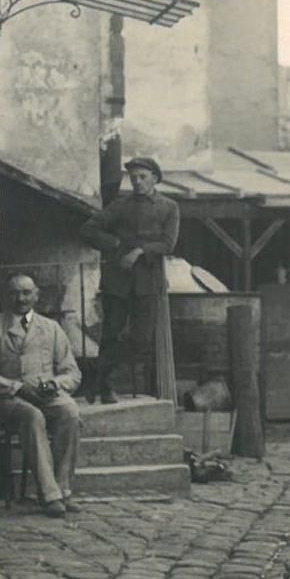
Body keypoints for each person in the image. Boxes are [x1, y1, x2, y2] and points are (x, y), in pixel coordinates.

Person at [0, 274, 84, 518]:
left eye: (26, 293)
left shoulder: (51, 328)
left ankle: (63, 488)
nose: (20, 298)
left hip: (44, 394)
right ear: (6, 296)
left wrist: (54, 384)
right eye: (14, 293)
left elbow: (72, 372)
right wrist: (16, 387)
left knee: (70, 412)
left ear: (36, 295)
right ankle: (49, 495)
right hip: (6, 398)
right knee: (32, 415)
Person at [79, 155, 179, 402]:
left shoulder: (169, 207)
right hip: (118, 279)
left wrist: (140, 251)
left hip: (149, 281)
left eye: (142, 177)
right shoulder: (120, 206)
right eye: (133, 178)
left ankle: (94, 371)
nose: (137, 182)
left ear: (155, 179)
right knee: (111, 334)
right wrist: (115, 245)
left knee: (141, 339)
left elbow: (168, 243)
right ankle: (106, 388)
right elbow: (87, 229)